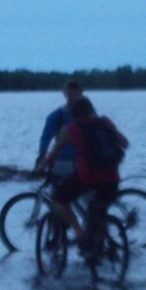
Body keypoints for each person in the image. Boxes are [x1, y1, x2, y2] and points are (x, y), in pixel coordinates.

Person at [34, 96, 129, 261]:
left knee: (59, 199)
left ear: (73, 114)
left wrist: (40, 168)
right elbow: (125, 143)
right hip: (112, 178)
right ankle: (98, 250)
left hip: (88, 177)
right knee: (99, 211)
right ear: (91, 110)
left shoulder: (70, 129)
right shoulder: (105, 122)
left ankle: (79, 233)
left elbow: (52, 157)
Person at [35, 80, 84, 179]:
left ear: (80, 93)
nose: (71, 96)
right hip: (63, 162)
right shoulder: (58, 115)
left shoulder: (89, 114)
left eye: (74, 93)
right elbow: (46, 136)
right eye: (68, 93)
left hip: (83, 161)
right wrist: (42, 153)